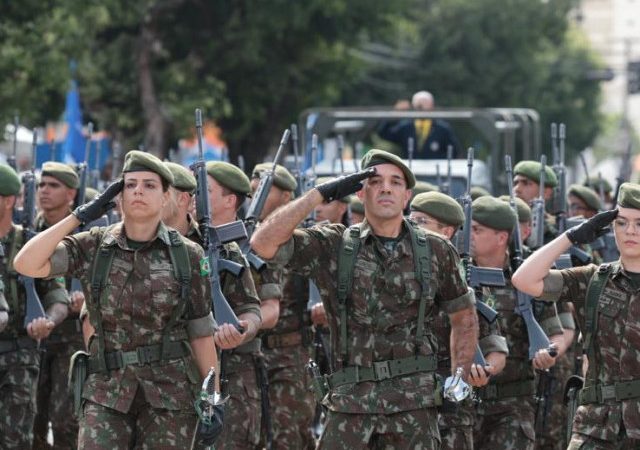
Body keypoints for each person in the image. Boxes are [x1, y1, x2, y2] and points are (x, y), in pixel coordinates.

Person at [251, 149, 478, 449]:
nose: (385, 187)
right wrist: (318, 194)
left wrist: (458, 377)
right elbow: (262, 243)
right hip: (349, 404)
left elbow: (464, 316)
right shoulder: (334, 244)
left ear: (407, 196)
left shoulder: (435, 250)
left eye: (396, 182)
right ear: (359, 191)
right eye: (375, 181)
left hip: (413, 406)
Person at [14, 150, 222, 449]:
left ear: (166, 197)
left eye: (150, 185)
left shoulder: (188, 254)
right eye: (130, 184)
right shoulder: (94, 245)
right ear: (118, 196)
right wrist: (79, 216)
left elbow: (201, 332)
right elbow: (26, 263)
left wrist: (212, 398)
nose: (138, 190)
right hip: (106, 391)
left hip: (170, 395)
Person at [512, 184, 639, 449]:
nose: (630, 231)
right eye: (622, 222)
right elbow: (524, 280)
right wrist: (570, 237)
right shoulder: (593, 279)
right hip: (596, 427)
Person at [409, 191, 508, 450]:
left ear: (447, 232)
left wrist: (483, 370)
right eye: (411, 219)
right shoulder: (400, 275)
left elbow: (495, 347)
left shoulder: (465, 286)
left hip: (449, 412)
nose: (411, 226)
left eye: (421, 221)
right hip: (402, 409)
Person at [468, 196, 567, 450]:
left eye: (476, 229)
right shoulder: (456, 274)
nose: (467, 234)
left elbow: (556, 332)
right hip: (462, 405)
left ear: (501, 238)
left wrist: (549, 353)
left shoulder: (526, 279)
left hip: (512, 405)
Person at [0, 163, 70, 448]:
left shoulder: (30, 244)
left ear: (7, 201)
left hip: (18, 357)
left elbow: (58, 298)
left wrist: (47, 321)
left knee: (15, 440)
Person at [251, 162, 317, 449]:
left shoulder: (301, 241)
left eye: (264, 192)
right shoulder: (242, 238)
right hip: (251, 355)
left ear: (287, 197)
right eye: (253, 192)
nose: (256, 199)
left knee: (288, 436)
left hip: (290, 356)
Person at [32, 162, 85, 449]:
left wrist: (86, 299)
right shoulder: (28, 230)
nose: (44, 191)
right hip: (33, 336)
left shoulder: (85, 235)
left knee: (65, 419)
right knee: (33, 418)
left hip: (72, 338)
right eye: (41, 185)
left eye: (53, 186)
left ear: (71, 193)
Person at [377, 91, 461, 159]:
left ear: (432, 106)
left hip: (434, 173)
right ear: (413, 105)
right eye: (418, 104)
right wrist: (395, 114)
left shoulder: (442, 128)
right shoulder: (405, 126)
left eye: (424, 103)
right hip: (411, 171)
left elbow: (454, 152)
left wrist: (437, 161)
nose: (421, 107)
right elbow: (383, 134)